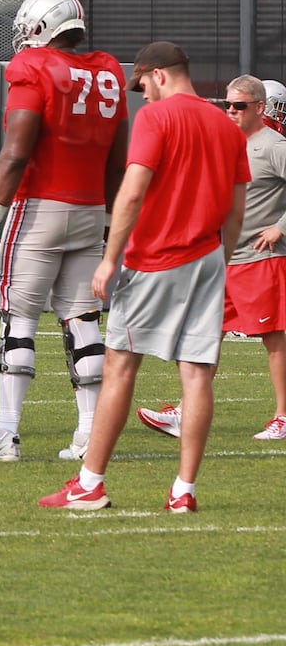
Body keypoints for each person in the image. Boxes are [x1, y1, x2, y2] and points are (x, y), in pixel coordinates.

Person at [39, 42, 248, 513]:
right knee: (196, 375)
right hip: (208, 258)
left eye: (142, 85)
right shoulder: (227, 126)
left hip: (155, 257)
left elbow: (132, 192)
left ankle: (90, 483)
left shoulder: (157, 118)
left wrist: (109, 259)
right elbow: (236, 212)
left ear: (157, 75)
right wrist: (222, 259)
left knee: (119, 366)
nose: (143, 96)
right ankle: (184, 491)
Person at [0, 0, 129, 464]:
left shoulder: (34, 69)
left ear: (40, 27)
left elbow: (15, 153)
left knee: (19, 320)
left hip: (39, 210)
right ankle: (90, 435)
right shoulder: (110, 71)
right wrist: (112, 225)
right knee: (83, 322)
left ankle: (6, 436)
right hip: (92, 208)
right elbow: (118, 161)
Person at [135, 75, 286, 443]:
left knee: (275, 338)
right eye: (228, 105)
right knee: (204, 334)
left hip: (261, 259)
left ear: (260, 108)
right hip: (222, 257)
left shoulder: (275, 145)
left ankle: (283, 415)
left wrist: (280, 226)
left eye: (240, 106)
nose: (231, 112)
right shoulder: (226, 142)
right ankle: (187, 411)